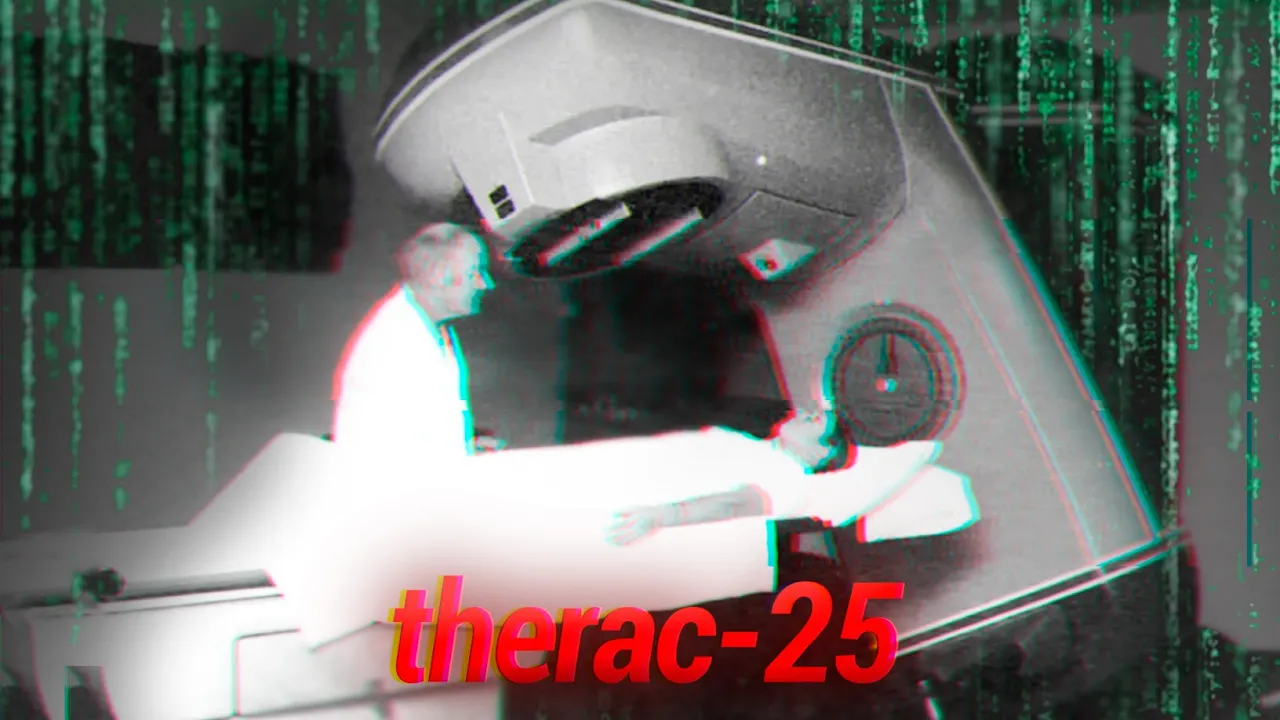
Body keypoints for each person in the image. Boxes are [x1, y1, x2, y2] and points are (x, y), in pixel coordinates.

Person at [331, 222, 501, 468]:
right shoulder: (394, 342)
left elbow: (423, 431)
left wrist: (465, 446)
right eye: (476, 273)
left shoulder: (435, 327)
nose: (486, 283)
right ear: (438, 276)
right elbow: (385, 456)